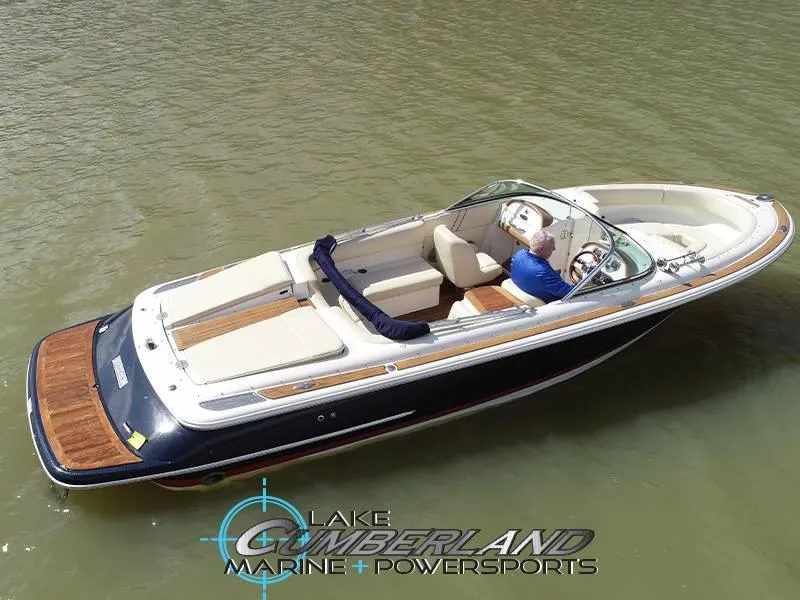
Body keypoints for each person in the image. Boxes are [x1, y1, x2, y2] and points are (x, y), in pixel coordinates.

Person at [510, 230, 575, 302]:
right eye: (552, 247)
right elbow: (569, 292)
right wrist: (586, 282)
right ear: (541, 249)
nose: (554, 249)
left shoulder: (519, 254)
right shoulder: (544, 272)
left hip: (525, 287)